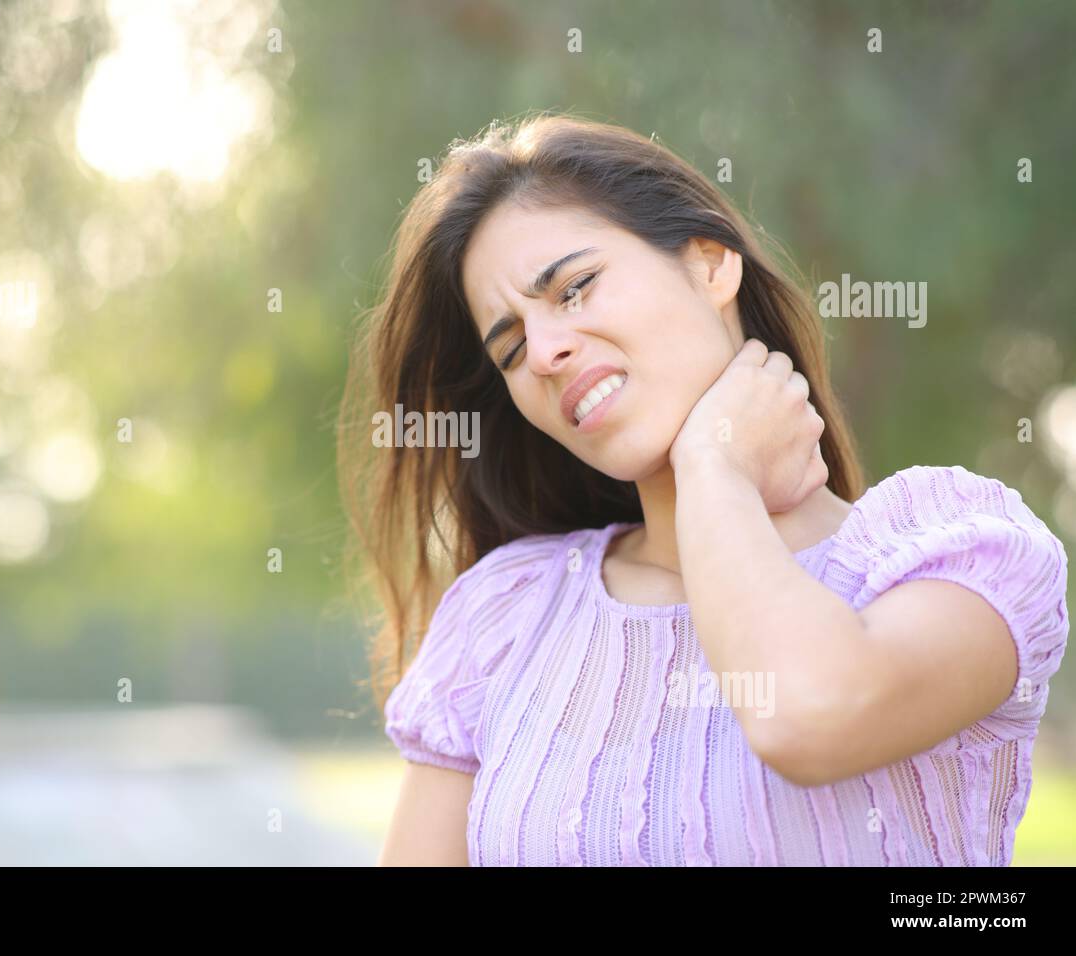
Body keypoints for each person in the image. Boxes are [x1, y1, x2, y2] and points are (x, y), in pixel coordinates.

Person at [337, 112, 1069, 866]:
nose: (548, 351)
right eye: (513, 347)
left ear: (711, 264)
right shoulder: (507, 615)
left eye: (576, 288)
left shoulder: (959, 553)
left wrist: (715, 466)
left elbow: (806, 715)